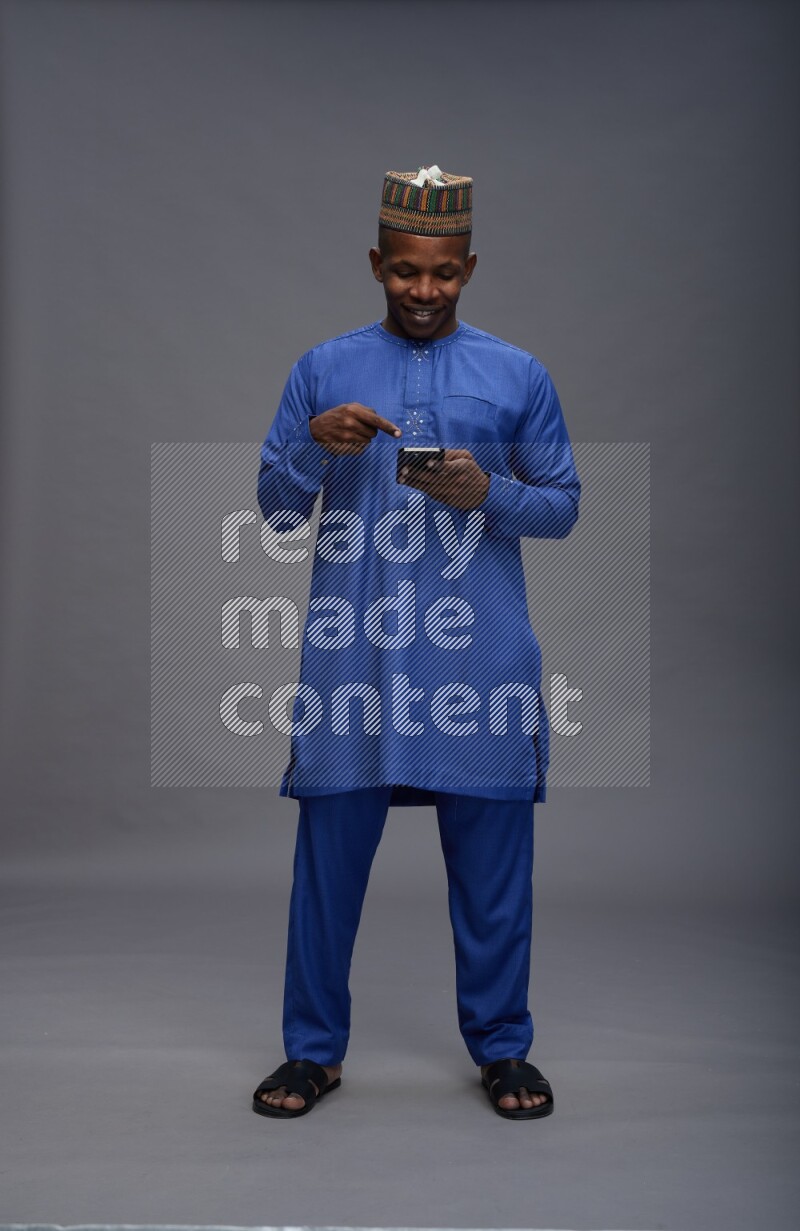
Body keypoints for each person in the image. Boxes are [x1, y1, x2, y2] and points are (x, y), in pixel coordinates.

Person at [251, 165, 580, 1120]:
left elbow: (562, 511)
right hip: (354, 656)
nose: (422, 291)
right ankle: (312, 1052)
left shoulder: (520, 374)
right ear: (376, 264)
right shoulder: (324, 367)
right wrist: (315, 445)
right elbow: (275, 512)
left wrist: (493, 494)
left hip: (478, 656)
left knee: (492, 870)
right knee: (327, 865)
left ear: (468, 266)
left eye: (441, 273)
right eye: (403, 272)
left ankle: (504, 1048)